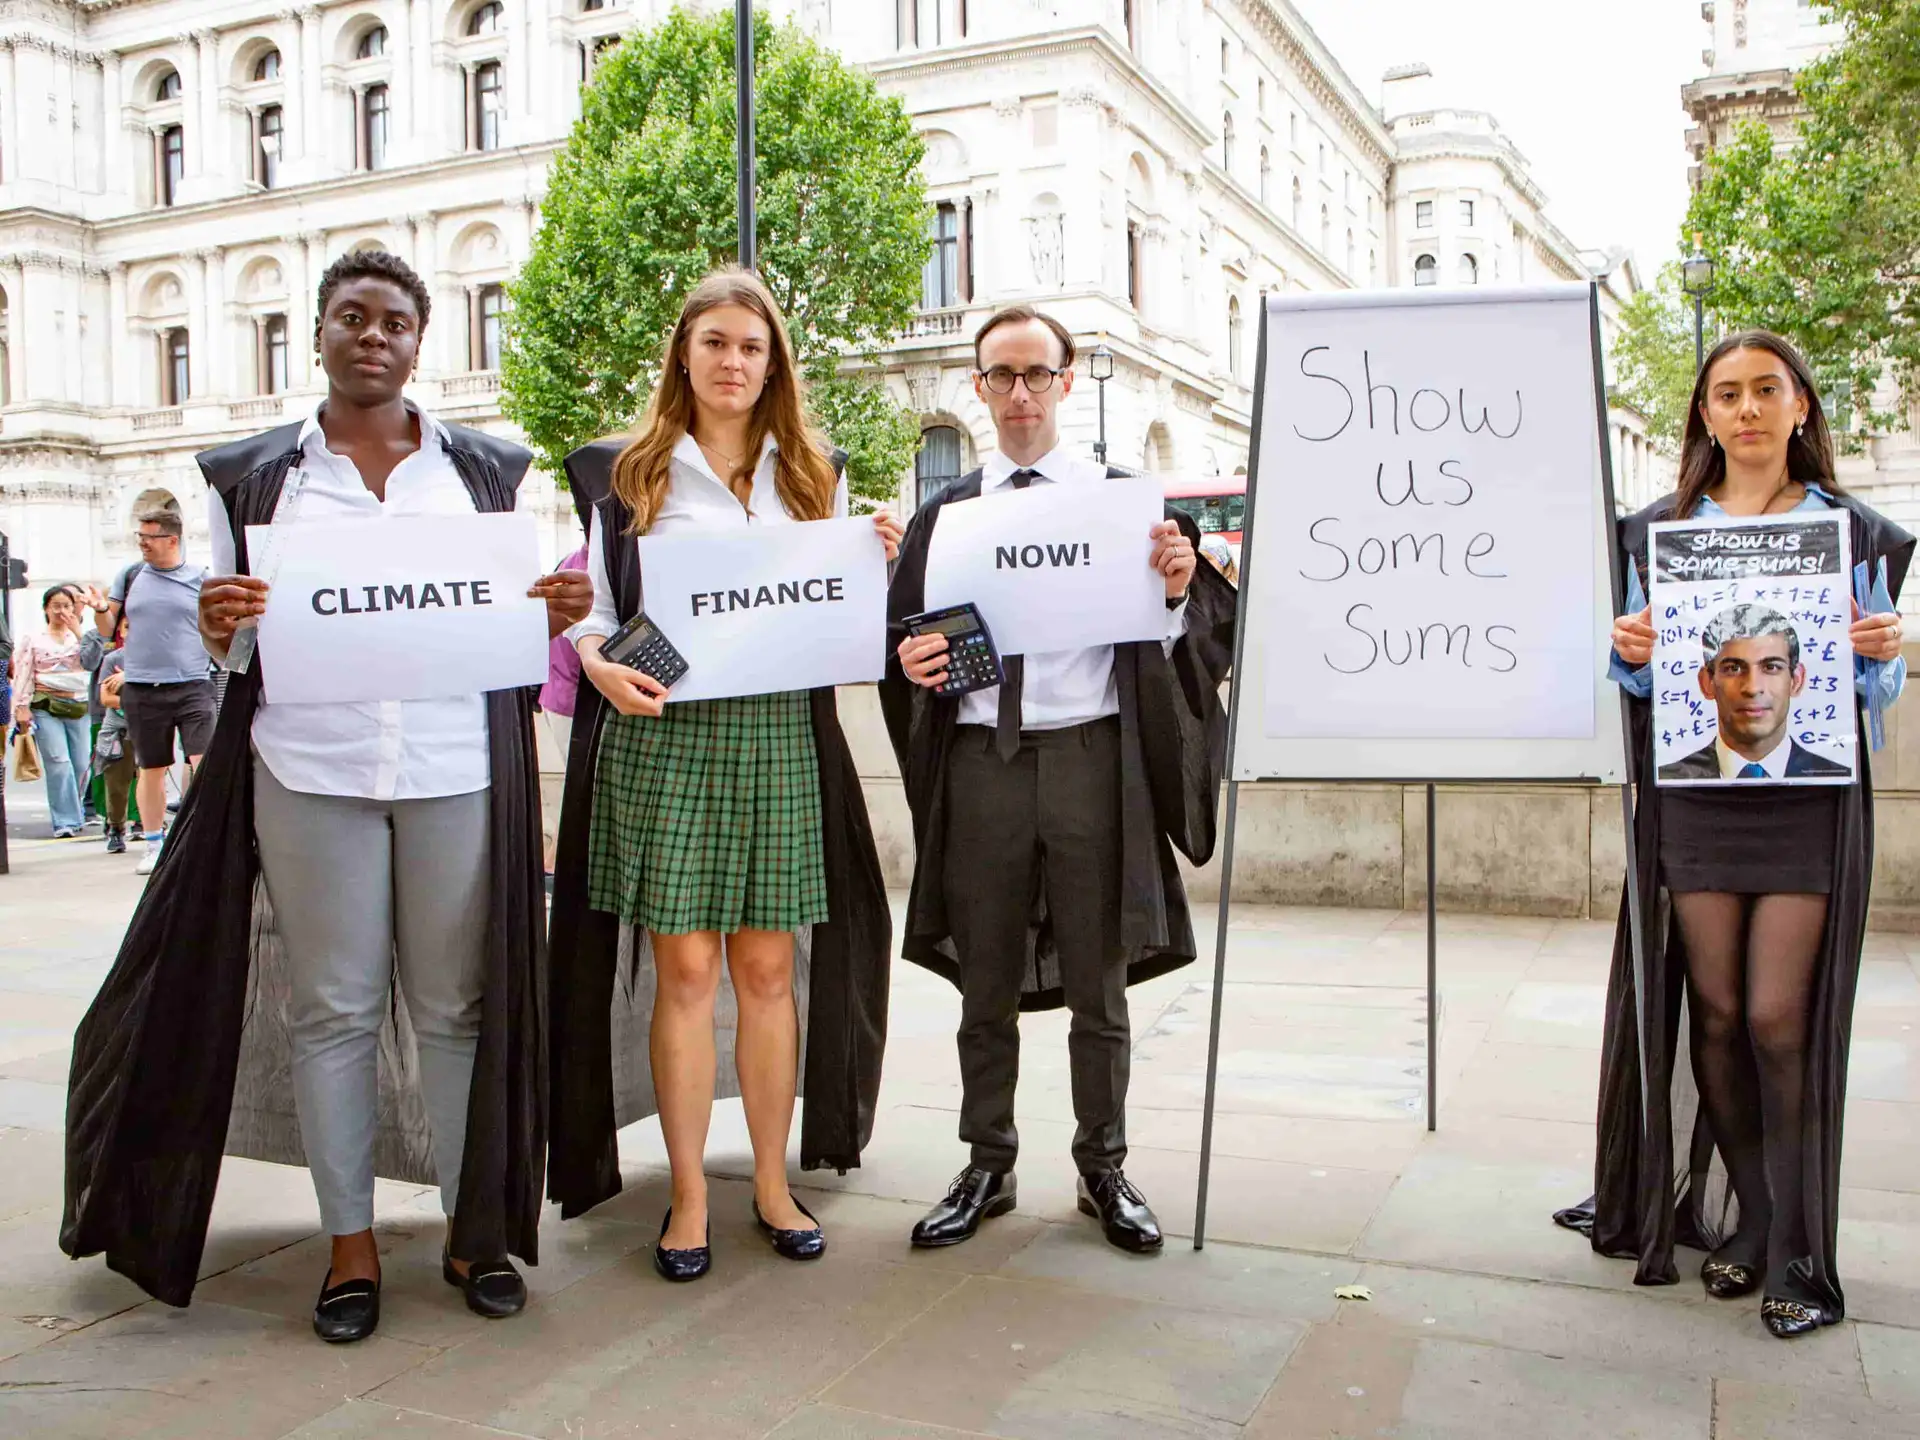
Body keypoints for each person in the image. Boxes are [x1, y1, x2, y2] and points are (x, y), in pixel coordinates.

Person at [61, 249, 592, 1344]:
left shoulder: (482, 471)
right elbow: (239, 636)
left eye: (393, 320)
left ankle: (469, 1228)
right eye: (351, 316)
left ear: (418, 338)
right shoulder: (259, 477)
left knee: (456, 1011)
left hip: (453, 767)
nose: (372, 336)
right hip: (313, 771)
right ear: (318, 333)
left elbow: (505, 622)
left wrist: (550, 614)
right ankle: (348, 1245)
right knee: (334, 1014)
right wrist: (219, 629)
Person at [1555, 330, 1910, 1339]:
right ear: (1704, 417)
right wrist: (1628, 650)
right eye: (1726, 395)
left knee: (1774, 1019)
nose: (1747, 410)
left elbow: (1872, 694)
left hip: (1806, 802)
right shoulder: (1657, 532)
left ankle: (1799, 1248)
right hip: (1697, 801)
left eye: (1767, 391)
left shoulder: (1854, 535)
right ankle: (1750, 1223)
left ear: (1802, 406)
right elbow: (1635, 678)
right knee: (1710, 1012)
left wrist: (1876, 648)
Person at [547, 268, 896, 1282]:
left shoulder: (813, 475)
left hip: (781, 736)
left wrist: (871, 555)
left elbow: (840, 620)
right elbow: (598, 615)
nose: (734, 361)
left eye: (752, 346)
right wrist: (597, 664)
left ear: (772, 359)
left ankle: (775, 1184)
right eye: (716, 344)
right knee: (689, 971)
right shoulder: (631, 474)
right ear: (685, 356)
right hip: (667, 741)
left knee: (769, 970)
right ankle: (691, 1195)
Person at [882, 306, 1237, 1254]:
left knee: (1099, 982)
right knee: (984, 983)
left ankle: (1103, 1166)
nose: (1021, 393)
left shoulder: (1125, 504)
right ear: (981, 387)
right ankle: (987, 1164)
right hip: (980, 764)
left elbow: (1195, 633)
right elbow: (901, 640)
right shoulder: (946, 514)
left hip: (1091, 760)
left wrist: (1171, 589)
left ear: (1068, 381)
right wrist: (912, 662)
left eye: (1038, 373)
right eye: (1002, 376)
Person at [84, 508, 214, 874]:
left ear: (172, 540)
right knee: (152, 768)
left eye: (148, 537)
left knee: (203, 765)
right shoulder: (131, 575)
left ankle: (203, 839)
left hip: (191, 683)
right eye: (139, 536)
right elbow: (110, 628)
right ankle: (154, 844)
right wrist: (98, 610)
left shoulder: (201, 578)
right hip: (143, 688)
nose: (141, 543)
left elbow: (218, 627)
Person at [1659, 604, 1850, 781]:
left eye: (1771, 667)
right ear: (1707, 682)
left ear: (1796, 680)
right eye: (1733, 668)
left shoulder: (1837, 779)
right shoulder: (1671, 779)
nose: (1752, 688)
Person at [10, 585, 93, 837]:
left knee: (80, 764)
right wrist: (21, 707)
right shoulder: (34, 639)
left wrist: (78, 632)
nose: (61, 611)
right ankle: (64, 820)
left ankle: (75, 812)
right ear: (46, 609)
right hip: (46, 705)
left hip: (79, 705)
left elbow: (93, 660)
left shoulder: (83, 637)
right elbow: (24, 672)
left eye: (66, 606)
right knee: (59, 762)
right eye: (55, 606)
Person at [81, 611, 139, 853]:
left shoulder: (160, 659)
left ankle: (147, 825)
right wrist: (138, 702)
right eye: (128, 627)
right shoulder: (112, 659)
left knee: (150, 778)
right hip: (118, 728)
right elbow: (106, 698)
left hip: (150, 725)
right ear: (121, 632)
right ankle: (116, 827)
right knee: (116, 781)